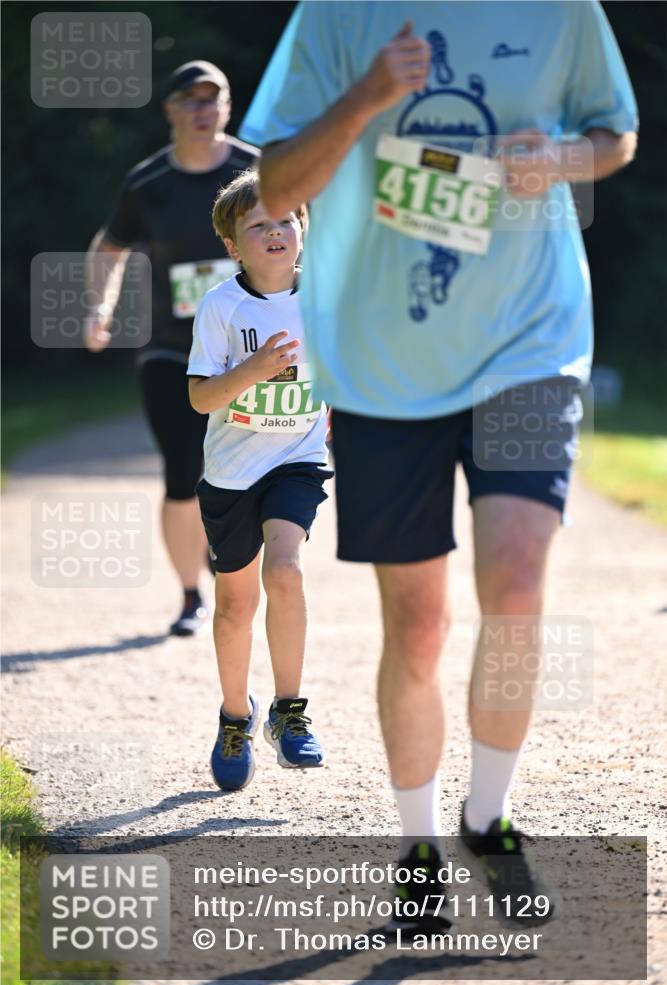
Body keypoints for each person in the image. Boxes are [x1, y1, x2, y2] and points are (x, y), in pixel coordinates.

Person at [240, 1, 638, 929]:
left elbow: (613, 133)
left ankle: (488, 818)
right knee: (416, 624)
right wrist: (367, 96)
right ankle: (417, 853)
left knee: (517, 584)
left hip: (530, 343)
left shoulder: (560, 10)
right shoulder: (337, 16)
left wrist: (563, 159)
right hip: (383, 362)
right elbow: (276, 183)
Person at [84, 61, 257, 636]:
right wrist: (100, 308)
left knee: (254, 469)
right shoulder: (147, 182)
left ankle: (242, 574)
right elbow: (109, 248)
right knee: (182, 471)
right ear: (171, 109)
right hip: (171, 350)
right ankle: (190, 596)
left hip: (250, 349)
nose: (204, 110)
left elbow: (301, 234)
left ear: (227, 106)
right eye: (191, 99)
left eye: (214, 98)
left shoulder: (256, 170)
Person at [187, 168, 332, 791]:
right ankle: (234, 717)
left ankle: (289, 713)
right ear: (233, 246)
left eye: (286, 221)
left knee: (286, 571)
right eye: (258, 225)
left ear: (303, 229)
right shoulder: (222, 306)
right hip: (231, 472)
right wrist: (253, 369)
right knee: (234, 606)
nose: (276, 231)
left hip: (297, 459)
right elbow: (200, 398)